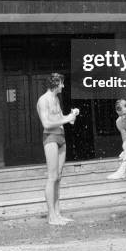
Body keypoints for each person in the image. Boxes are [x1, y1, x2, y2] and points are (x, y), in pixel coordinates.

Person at [36, 72, 79, 225]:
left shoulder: (56, 99)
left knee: (59, 177)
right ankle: (51, 217)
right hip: (50, 137)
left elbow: (61, 119)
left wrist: (72, 115)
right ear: (55, 83)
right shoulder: (43, 100)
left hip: (61, 136)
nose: (63, 86)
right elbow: (46, 123)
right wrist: (67, 119)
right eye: (61, 83)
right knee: (52, 177)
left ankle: (58, 214)